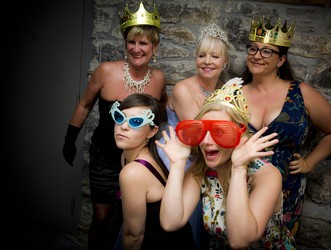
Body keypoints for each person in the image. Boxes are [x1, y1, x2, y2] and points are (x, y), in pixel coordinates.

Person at [62, 2, 167, 249]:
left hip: (138, 161)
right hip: (104, 158)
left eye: (143, 43)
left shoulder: (160, 79)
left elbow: (161, 113)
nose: (137, 48)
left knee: (128, 219)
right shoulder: (106, 71)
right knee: (101, 217)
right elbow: (85, 105)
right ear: (125, 43)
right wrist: (69, 139)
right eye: (132, 42)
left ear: (155, 47)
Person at [240, 16, 331, 237]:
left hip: (286, 188)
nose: (257, 56)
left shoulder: (301, 93)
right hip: (242, 183)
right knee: (240, 237)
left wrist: (309, 163)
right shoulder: (234, 91)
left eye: (267, 51)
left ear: (281, 60)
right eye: (253, 48)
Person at [157, 80, 296, 249]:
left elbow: (240, 241)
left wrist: (238, 169)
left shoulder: (267, 175)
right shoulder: (201, 170)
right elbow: (170, 222)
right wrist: (177, 164)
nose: (207, 142)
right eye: (203, 130)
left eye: (220, 132)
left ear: (242, 137)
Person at [156, 23, 231, 249]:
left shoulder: (226, 89)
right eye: (201, 55)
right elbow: (200, 137)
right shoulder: (182, 89)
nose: (207, 61)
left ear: (225, 62)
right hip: (181, 152)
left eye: (214, 56)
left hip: (208, 153)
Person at [111, 93, 195, 249]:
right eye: (119, 117)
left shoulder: (133, 172)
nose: (123, 126)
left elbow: (134, 236)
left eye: (135, 122)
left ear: (151, 132)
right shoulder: (147, 155)